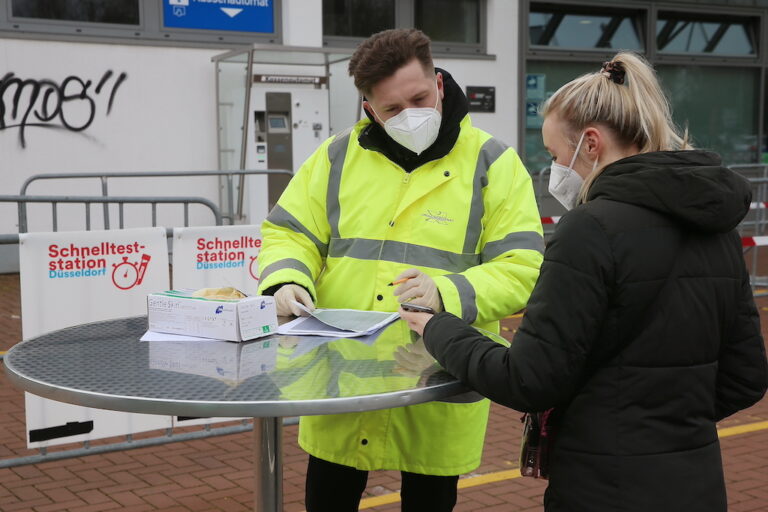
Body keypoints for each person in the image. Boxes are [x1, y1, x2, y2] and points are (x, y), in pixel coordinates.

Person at [401, 51, 768, 512]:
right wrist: (666, 424)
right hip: (696, 486)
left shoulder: (590, 230)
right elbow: (746, 377)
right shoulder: (718, 228)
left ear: (591, 144)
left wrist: (439, 328)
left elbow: (529, 379)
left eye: (555, 154)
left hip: (601, 487)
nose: (553, 169)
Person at [256, 28, 544, 511]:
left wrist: (448, 292)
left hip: (437, 376)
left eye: (419, 97)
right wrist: (287, 280)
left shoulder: (493, 164)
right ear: (369, 109)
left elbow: (522, 269)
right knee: (327, 498)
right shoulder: (337, 156)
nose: (410, 115)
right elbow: (289, 232)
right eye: (391, 109)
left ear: (440, 84)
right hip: (341, 380)